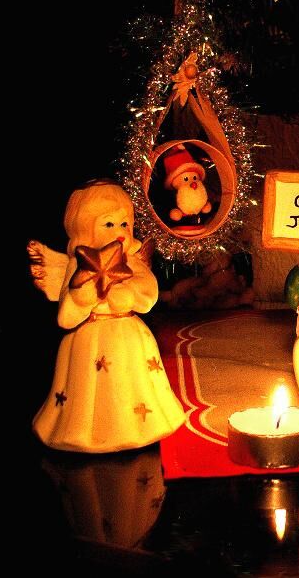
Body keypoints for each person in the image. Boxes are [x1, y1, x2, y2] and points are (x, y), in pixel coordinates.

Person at [29, 180, 185, 452]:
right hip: (89, 340)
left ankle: (140, 424)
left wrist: (129, 293)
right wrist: (84, 295)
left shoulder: (132, 261)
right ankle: (84, 431)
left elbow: (148, 295)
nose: (120, 232)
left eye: (125, 224)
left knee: (133, 385)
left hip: (129, 335)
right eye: (109, 224)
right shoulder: (78, 266)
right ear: (84, 228)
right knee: (89, 395)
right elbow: (65, 317)